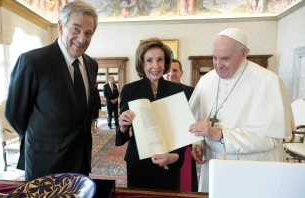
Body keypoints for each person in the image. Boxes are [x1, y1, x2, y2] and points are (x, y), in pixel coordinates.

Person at [189, 28, 294, 192]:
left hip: (253, 168)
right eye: (214, 58)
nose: (218, 65)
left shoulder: (268, 82)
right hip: (214, 164)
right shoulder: (207, 80)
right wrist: (199, 143)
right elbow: (196, 118)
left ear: (244, 53)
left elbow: (273, 138)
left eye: (225, 58)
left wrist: (220, 135)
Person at [5, 1, 98, 181]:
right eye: (76, 29)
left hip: (81, 161)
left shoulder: (91, 65)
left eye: (88, 33)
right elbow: (14, 114)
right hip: (45, 162)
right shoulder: (33, 62)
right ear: (61, 26)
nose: (82, 38)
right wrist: (41, 140)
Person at [116, 38, 186, 190]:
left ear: (165, 62)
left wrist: (175, 156)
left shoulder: (177, 90)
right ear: (142, 64)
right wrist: (122, 125)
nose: (155, 66)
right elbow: (122, 133)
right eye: (149, 60)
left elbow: (182, 130)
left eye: (160, 60)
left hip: (169, 160)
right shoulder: (129, 90)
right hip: (139, 162)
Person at [164, 58, 197, 191]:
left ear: (181, 72)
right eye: (168, 70)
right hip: (163, 143)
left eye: (175, 70)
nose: (171, 73)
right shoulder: (155, 92)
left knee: (185, 185)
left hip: (185, 143)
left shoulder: (192, 92)